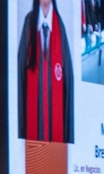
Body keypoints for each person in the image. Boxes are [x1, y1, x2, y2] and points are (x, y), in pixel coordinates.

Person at [17, 0, 74, 142]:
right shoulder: (29, 23)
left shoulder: (60, 26)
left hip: (56, 137)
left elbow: (67, 82)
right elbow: (20, 76)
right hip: (33, 129)